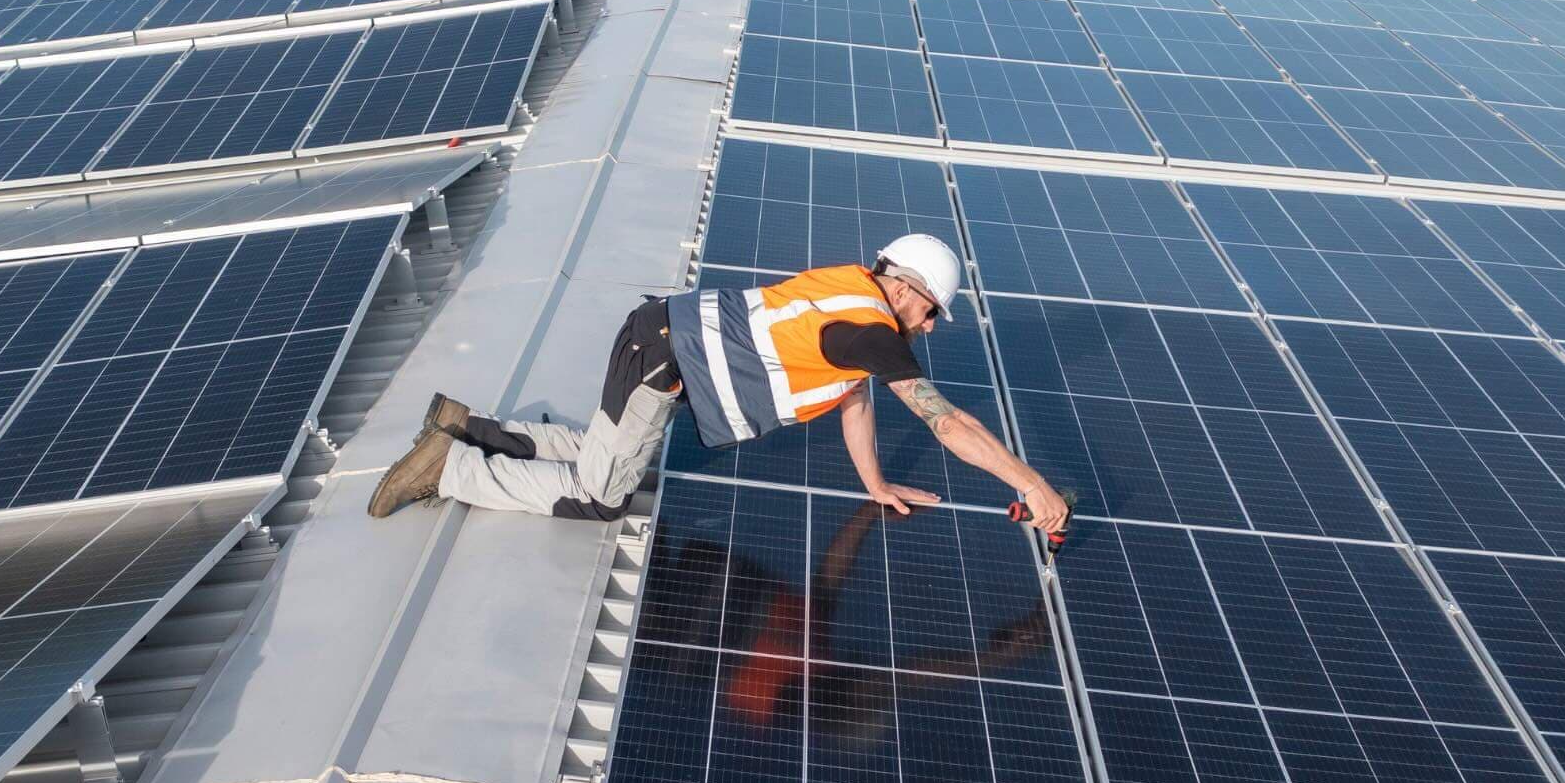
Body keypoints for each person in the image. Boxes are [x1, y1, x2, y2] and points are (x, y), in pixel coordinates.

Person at [367, 233, 1073, 535]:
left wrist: (874, 483)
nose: (926, 328)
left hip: (663, 338)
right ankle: (452, 467)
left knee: (610, 454)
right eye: (929, 313)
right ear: (907, 288)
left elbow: (852, 394)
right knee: (600, 495)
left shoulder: (851, 297)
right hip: (662, 361)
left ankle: (469, 425)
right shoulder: (870, 330)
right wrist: (1032, 485)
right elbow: (948, 423)